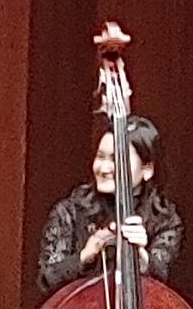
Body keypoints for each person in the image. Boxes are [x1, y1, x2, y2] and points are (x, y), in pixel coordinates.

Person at [37, 115, 181, 293]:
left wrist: (142, 256)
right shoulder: (69, 211)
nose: (104, 168)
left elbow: (163, 287)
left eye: (116, 159)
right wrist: (86, 255)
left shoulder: (164, 220)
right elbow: (46, 281)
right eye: (100, 157)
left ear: (147, 169)